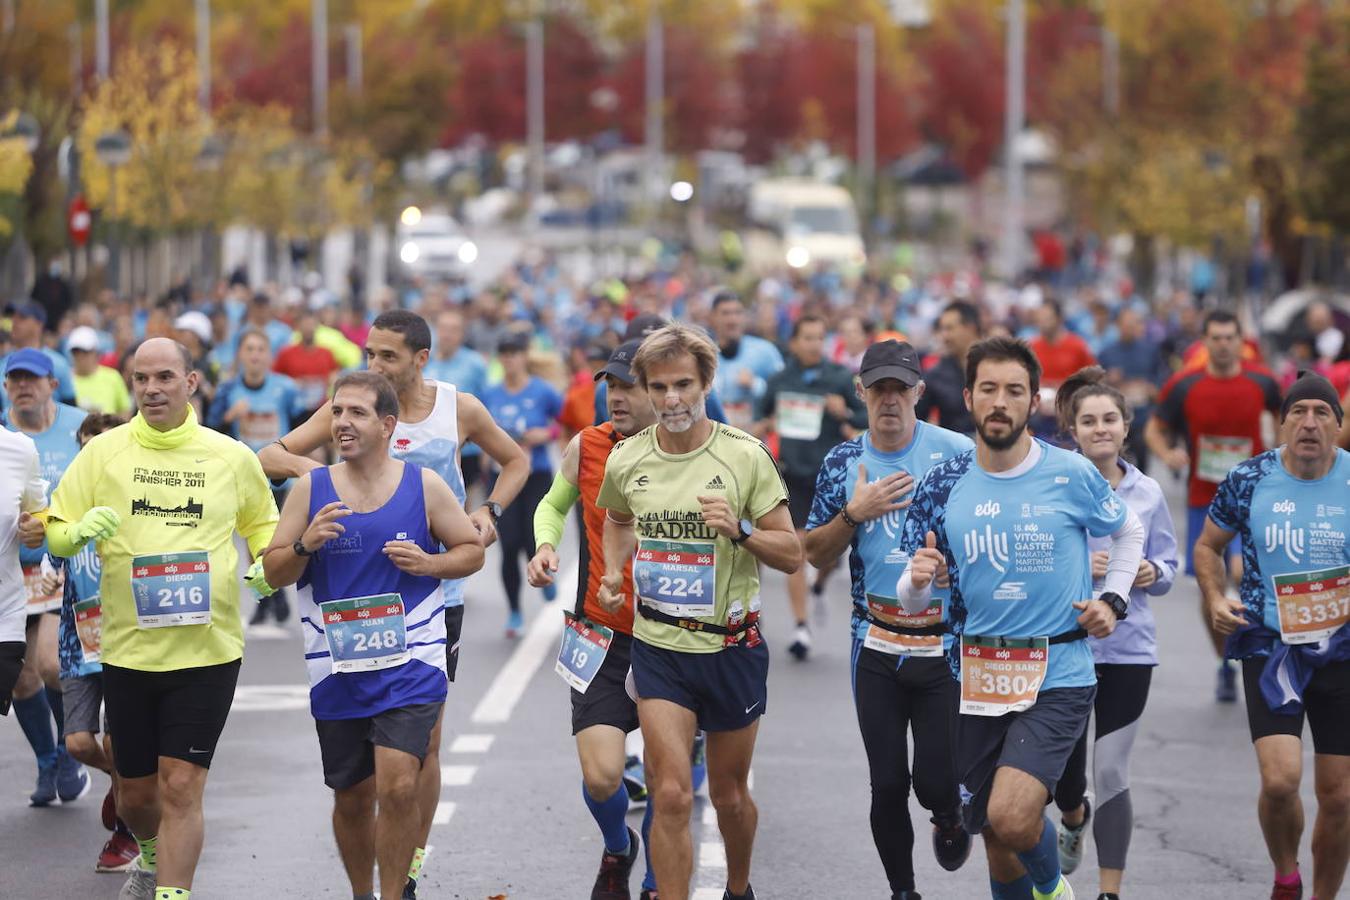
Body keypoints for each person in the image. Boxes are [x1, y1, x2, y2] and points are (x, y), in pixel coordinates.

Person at [258, 309, 528, 899]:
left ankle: (405, 860)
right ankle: (380, 868)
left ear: (420, 359)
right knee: (357, 788)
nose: (374, 363)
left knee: (418, 751)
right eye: (369, 352)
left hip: (433, 592)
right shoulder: (349, 415)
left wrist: (490, 514)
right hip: (349, 601)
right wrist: (331, 476)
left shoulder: (458, 409)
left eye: (387, 355)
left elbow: (518, 461)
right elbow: (269, 457)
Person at [896, 336, 1145, 900]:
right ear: (969, 397)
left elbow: (1128, 530)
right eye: (989, 389)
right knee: (995, 834)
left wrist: (1114, 599)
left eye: (1015, 390)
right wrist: (916, 579)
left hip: (1058, 670)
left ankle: (1055, 890)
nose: (1001, 401)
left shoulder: (1071, 473)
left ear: (1033, 401)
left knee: (1011, 817)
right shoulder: (943, 483)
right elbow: (912, 601)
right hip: (976, 675)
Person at [43, 337, 280, 900]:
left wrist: (266, 567)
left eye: (165, 377)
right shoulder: (104, 454)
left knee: (181, 788)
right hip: (127, 652)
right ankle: (148, 851)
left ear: (191, 383)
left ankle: (173, 893)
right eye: (141, 378)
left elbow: (264, 526)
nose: (152, 389)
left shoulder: (231, 457)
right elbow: (55, 522)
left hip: (209, 652)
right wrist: (74, 533)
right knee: (137, 797)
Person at [596, 323, 802, 900]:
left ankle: (738, 888)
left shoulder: (745, 456)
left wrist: (739, 529)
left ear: (706, 382)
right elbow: (616, 520)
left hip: (731, 647)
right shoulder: (628, 457)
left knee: (730, 796)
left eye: (683, 384)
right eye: (658, 387)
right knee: (669, 794)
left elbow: (792, 553)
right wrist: (615, 573)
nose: (671, 400)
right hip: (660, 645)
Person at [804, 339, 975, 899]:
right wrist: (855, 513)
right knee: (886, 784)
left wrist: (956, 568)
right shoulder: (843, 462)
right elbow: (814, 553)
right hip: (873, 641)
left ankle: (948, 811)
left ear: (919, 393)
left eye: (900, 390)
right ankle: (903, 891)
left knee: (934, 781)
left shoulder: (959, 454)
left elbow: (986, 533)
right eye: (879, 390)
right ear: (861, 393)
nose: (890, 402)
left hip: (943, 645)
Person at [1197, 372, 1350, 900]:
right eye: (1299, 412)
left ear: (1338, 424)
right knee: (1281, 781)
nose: (1309, 423)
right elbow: (1208, 546)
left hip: (1342, 651)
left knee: (1340, 796)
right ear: (1282, 421)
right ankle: (1286, 875)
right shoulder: (1249, 478)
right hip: (1271, 644)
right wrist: (1217, 599)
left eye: (1322, 413)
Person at [527, 339, 661, 899]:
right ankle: (618, 846)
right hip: (601, 634)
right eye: (612, 385)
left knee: (665, 779)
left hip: (670, 637)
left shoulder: (688, 453)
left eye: (630, 386)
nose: (617, 397)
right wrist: (545, 546)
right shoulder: (588, 445)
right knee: (602, 775)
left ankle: (659, 876)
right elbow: (554, 504)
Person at [1050, 369, 1179, 900]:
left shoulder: (1147, 493)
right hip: (1067, 645)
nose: (1100, 429)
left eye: (1109, 419)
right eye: (1088, 421)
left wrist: (1152, 572)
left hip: (1129, 650)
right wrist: (1086, 562)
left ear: (1126, 428)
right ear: (1073, 431)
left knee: (1112, 770)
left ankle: (1110, 891)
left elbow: (1170, 564)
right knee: (1066, 778)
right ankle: (1073, 816)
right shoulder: (1057, 486)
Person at [1145, 309, 1282, 702]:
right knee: (1212, 592)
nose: (1223, 344)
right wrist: (1168, 453)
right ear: (1204, 343)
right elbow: (1155, 428)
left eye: (1229, 337)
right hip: (1203, 499)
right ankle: (1225, 661)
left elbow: (1284, 417)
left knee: (1239, 568)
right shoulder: (1184, 385)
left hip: (1256, 496)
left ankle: (1260, 651)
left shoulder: (1262, 381)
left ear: (1241, 341)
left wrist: (1277, 454)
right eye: (1216, 338)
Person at [3, 347, 91, 807]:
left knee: (51, 664)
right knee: (19, 677)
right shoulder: (4, 436)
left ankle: (67, 749)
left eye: (31, 379)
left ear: (52, 385)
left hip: (63, 563)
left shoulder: (78, 426)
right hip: (12, 571)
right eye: (13, 379)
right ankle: (46, 760)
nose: (22, 386)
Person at [55, 412, 141, 873]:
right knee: (78, 743)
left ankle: (126, 836)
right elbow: (48, 552)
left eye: (102, 445)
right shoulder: (66, 501)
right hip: (77, 641)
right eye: (85, 446)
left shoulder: (139, 500)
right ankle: (123, 780)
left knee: (122, 742)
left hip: (127, 638)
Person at [208, 328, 308, 625]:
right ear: (240, 355)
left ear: (269, 355)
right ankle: (270, 598)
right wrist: (229, 417)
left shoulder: (286, 388)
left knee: (272, 537)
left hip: (276, 476)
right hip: (240, 475)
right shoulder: (228, 391)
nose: (254, 355)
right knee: (252, 540)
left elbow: (303, 423)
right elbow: (209, 432)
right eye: (249, 349)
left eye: (260, 350)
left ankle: (269, 598)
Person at [481, 330, 564, 637]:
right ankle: (515, 610)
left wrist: (547, 435)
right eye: (504, 355)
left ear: (524, 357)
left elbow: (563, 422)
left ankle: (543, 577)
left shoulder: (543, 391)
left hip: (536, 474)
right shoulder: (491, 394)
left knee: (533, 539)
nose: (509, 360)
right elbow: (481, 432)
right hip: (503, 476)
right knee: (509, 544)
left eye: (514, 354)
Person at [3, 424, 49, 720]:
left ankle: (53, 761)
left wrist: (36, 528)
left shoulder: (19, 449)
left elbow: (39, 512)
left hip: (3, 613)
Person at [423, 307, 489, 496]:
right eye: (443, 329)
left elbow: (487, 404)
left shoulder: (475, 363)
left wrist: (487, 451)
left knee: (463, 504)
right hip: (430, 447)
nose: (447, 335)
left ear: (461, 334)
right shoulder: (425, 361)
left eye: (453, 330)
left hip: (466, 448)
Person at [1095, 309, 1168, 474]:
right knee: (1116, 462)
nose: (1128, 327)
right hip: (1116, 415)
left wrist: (1152, 388)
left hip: (1142, 415)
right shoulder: (1106, 353)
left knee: (1142, 460)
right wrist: (1109, 379)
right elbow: (1095, 384)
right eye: (1125, 324)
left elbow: (1161, 377)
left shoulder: (1150, 350)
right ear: (1117, 326)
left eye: (1132, 323)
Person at [708, 291, 784, 432]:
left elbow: (785, 392)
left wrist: (755, 384)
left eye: (738, 313)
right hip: (713, 440)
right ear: (712, 318)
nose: (732, 320)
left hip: (754, 439)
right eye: (725, 313)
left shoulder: (765, 351)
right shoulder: (703, 353)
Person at [1027, 300, 1096, 442]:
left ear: (1059, 319)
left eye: (1047, 318)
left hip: (1069, 415)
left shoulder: (1077, 346)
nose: (1043, 323)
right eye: (1039, 319)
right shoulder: (1032, 347)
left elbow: (1093, 380)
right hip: (1040, 415)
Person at [916, 301, 981, 436]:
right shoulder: (935, 375)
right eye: (942, 329)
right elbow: (915, 419)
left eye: (949, 328)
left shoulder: (998, 368)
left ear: (970, 328)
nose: (944, 336)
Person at [273, 307, 341, 417]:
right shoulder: (286, 353)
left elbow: (334, 375)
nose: (309, 329)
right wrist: (292, 384)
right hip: (294, 411)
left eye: (312, 324)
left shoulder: (326, 353)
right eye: (305, 325)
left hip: (320, 411)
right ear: (298, 327)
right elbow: (275, 379)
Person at [69, 325, 132, 415]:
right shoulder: (65, 380)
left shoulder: (113, 377)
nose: (80, 356)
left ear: (96, 352)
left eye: (85, 351)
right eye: (75, 351)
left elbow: (125, 410)